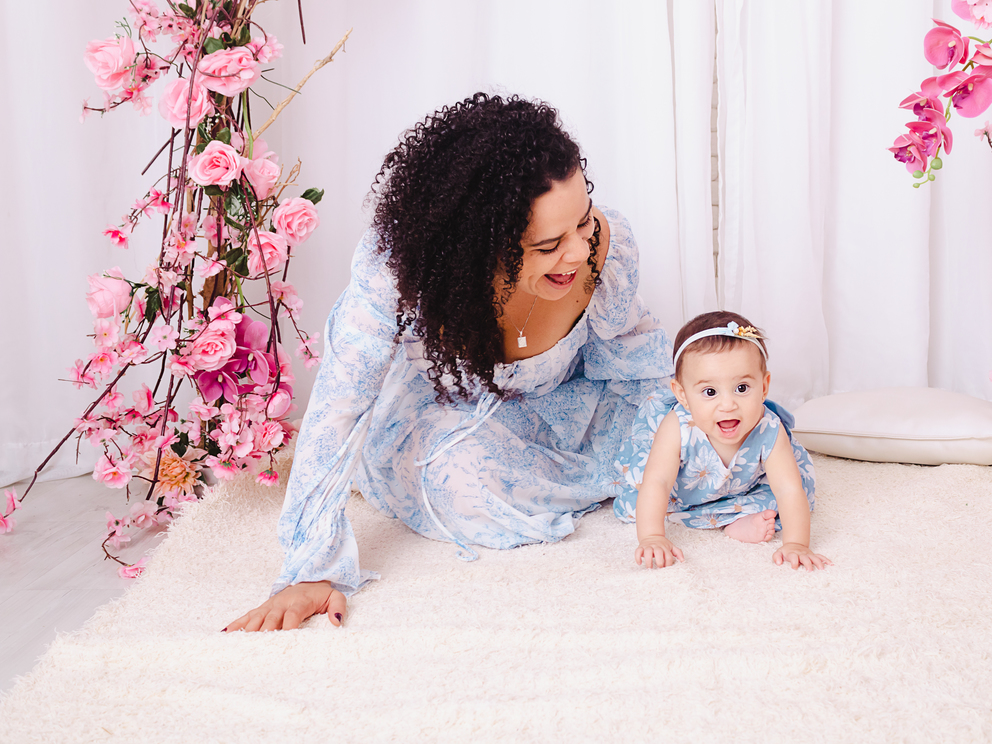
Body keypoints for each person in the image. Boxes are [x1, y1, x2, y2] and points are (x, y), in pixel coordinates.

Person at [225, 94, 672, 632]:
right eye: (549, 244)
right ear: (478, 247)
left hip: (563, 400)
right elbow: (339, 407)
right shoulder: (397, 269)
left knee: (689, 437)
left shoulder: (606, 243)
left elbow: (629, 352)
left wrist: (669, 423)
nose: (578, 253)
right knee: (465, 487)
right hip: (439, 410)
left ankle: (601, 466)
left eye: (583, 223)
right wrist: (310, 567)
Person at [613, 311, 831, 571]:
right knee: (642, 500)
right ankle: (725, 519)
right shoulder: (678, 425)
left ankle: (735, 522)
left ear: (764, 386)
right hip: (683, 494)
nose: (727, 405)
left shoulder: (768, 428)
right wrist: (652, 537)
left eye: (742, 388)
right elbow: (658, 481)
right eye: (709, 392)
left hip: (742, 490)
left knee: (785, 502)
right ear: (682, 395)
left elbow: (787, 489)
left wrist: (797, 544)